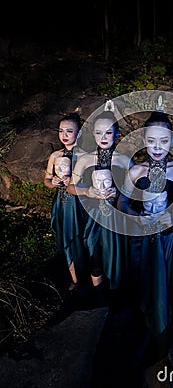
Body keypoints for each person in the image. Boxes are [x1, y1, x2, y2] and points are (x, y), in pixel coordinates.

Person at [117, 110, 173, 369]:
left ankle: (164, 346)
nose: (157, 147)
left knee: (166, 290)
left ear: (172, 141)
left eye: (164, 141)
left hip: (168, 242)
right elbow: (121, 204)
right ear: (143, 138)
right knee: (140, 290)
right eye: (151, 140)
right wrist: (136, 216)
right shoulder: (135, 171)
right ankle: (139, 343)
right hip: (141, 244)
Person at [67, 104, 133, 303]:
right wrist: (87, 191)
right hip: (94, 216)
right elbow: (71, 187)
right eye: (98, 132)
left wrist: (121, 195)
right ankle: (100, 300)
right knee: (96, 257)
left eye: (108, 132)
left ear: (117, 133)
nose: (103, 137)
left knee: (119, 256)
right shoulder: (85, 160)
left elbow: (136, 188)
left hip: (118, 215)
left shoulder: (124, 160)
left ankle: (118, 299)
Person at [44, 112, 87, 291]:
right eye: (61, 131)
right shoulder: (55, 155)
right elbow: (46, 180)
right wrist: (52, 182)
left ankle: (90, 277)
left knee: (83, 238)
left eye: (69, 131)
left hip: (79, 203)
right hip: (62, 202)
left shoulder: (85, 155)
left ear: (79, 133)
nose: (64, 135)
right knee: (67, 238)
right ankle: (75, 280)